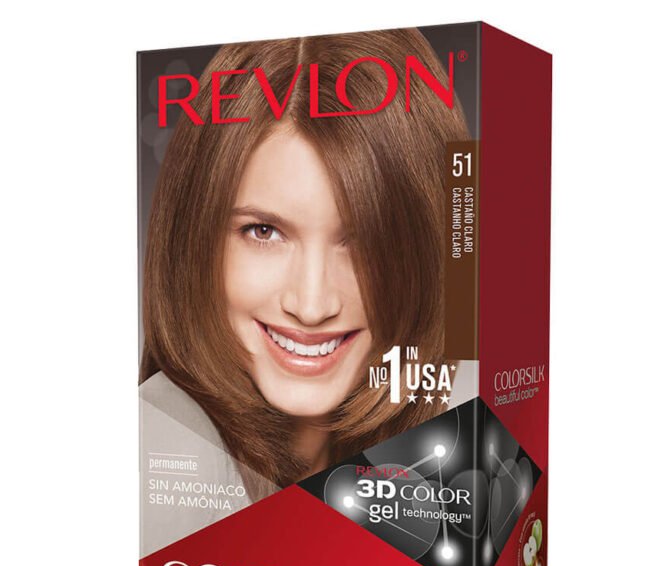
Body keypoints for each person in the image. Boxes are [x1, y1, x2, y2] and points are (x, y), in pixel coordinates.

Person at [140, 28, 471, 501]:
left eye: (363, 241)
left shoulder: (427, 476)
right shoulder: (155, 466)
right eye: (263, 231)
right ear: (190, 243)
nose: (312, 305)